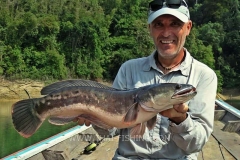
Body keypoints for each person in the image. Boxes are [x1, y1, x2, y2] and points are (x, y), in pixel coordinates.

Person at [77, 0, 218, 159]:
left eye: (174, 24)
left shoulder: (205, 76)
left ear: (188, 27)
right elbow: (112, 131)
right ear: (150, 29)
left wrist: (179, 119)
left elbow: (196, 145)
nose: (166, 33)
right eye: (158, 24)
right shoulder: (128, 69)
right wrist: (94, 117)